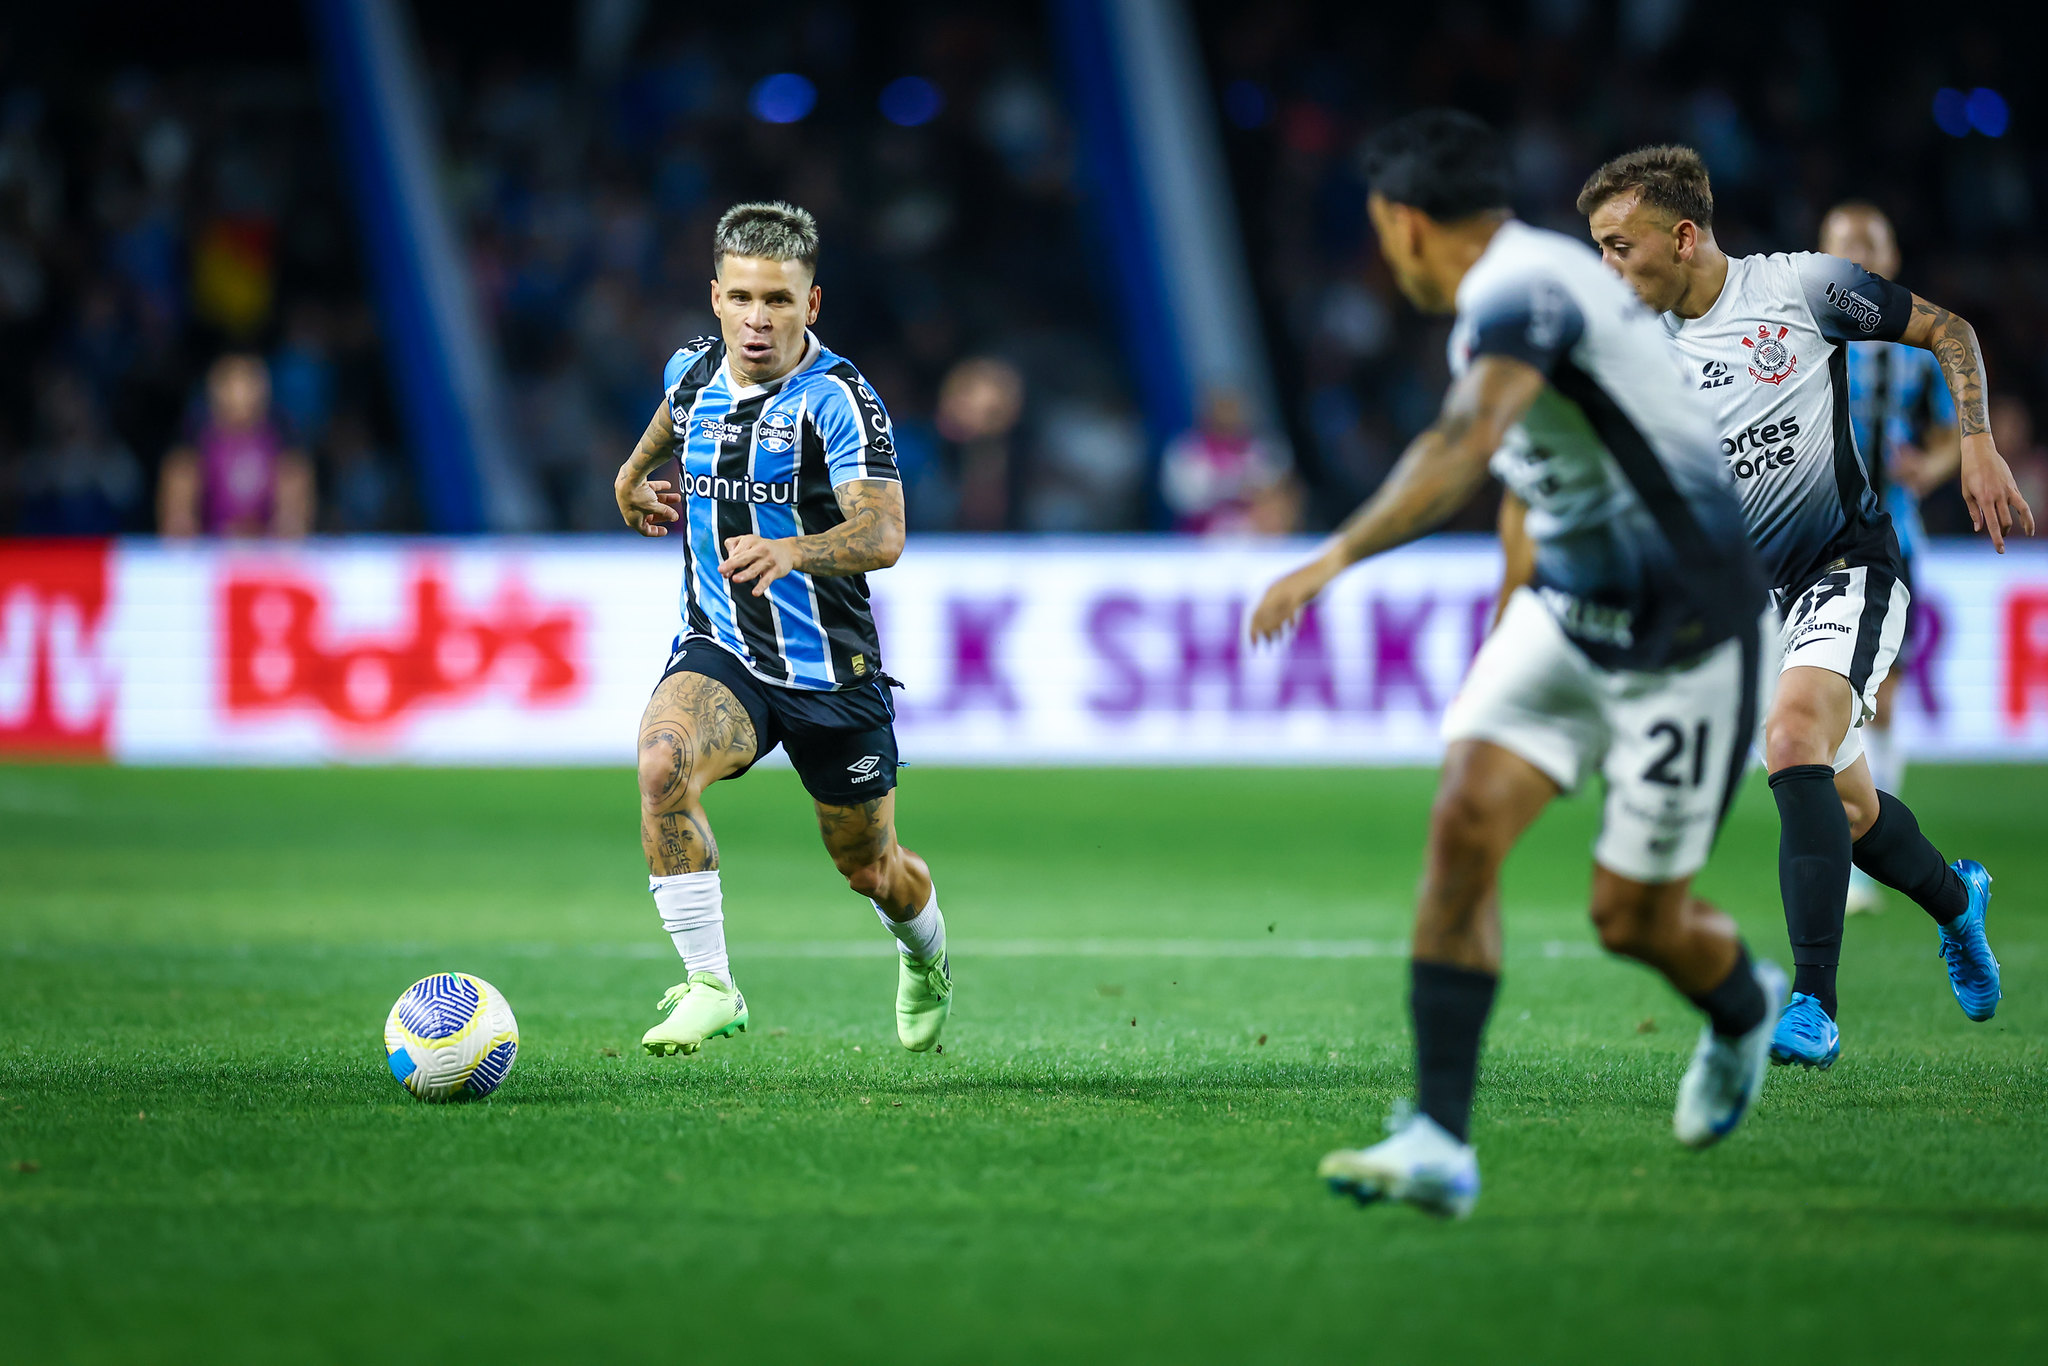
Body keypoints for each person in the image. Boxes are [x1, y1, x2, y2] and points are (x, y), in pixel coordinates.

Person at [1251, 111, 1784, 1220]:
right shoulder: (1502, 302)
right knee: (1461, 827)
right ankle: (1439, 1139)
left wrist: (1331, 556)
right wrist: (1510, 611)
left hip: (1689, 635)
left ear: (1400, 225)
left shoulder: (1522, 290)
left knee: (1629, 919)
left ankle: (1740, 1007)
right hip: (1564, 615)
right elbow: (1529, 474)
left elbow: (1461, 442)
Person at [1578, 147, 2029, 1069]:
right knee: (1853, 813)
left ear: (1685, 235)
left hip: (1846, 565)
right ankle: (1957, 900)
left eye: (1619, 246)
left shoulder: (1800, 290)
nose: (1608, 269)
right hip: (1745, 609)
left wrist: (1973, 445)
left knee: (1794, 744)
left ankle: (1813, 1004)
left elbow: (1949, 329)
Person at [612, 201, 952, 1058]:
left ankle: (928, 958)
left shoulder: (838, 400)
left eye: (779, 301)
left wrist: (792, 548)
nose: (758, 321)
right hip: (723, 650)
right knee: (662, 763)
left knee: (871, 870)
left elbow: (885, 534)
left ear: (813, 304)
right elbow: (674, 415)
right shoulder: (690, 372)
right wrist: (632, 473)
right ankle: (711, 985)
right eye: (742, 299)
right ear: (716, 297)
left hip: (830, 672)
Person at [1816, 203, 1957, 913]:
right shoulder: (1802, 335)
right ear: (1823, 256)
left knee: (1884, 697)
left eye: (1871, 243)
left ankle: (1865, 858)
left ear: (1893, 257)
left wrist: (1931, 469)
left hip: (1897, 539)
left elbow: (1956, 430)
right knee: (1823, 699)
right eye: (1845, 244)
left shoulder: (1916, 346)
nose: (1860, 254)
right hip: (1816, 542)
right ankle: (1851, 847)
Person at [158, 353, 314, 538]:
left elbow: (293, 520)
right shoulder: (197, 439)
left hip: (267, 549)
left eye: (249, 385)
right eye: (231, 385)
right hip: (209, 548)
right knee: (181, 469)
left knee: (293, 471)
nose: (240, 395)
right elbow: (177, 520)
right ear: (215, 391)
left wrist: (281, 530)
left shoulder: (281, 437)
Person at [1159, 387, 1299, 535]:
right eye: (1222, 406)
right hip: (1199, 539)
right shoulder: (1186, 449)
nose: (1228, 413)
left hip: (1255, 538)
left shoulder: (1265, 450)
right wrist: (1230, 488)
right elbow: (1182, 498)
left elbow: (1280, 494)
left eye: (1233, 406)